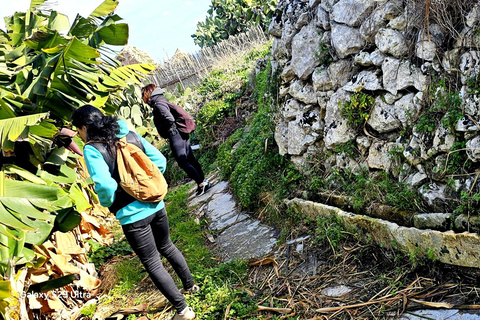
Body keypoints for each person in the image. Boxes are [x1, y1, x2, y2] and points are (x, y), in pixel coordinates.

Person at [72, 105, 197, 320]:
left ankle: (183, 310)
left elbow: (105, 185)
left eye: (79, 131)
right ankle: (191, 285)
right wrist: (146, 185)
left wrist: (111, 204)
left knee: (152, 262)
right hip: (156, 204)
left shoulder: (93, 149)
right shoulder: (129, 134)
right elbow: (160, 161)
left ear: (84, 128)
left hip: (132, 216)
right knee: (167, 245)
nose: (80, 135)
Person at [141, 84, 211, 196]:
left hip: (175, 134)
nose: (144, 99)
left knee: (182, 162)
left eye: (144, 95)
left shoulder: (158, 104)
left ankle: (201, 183)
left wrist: (168, 131)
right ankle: (203, 182)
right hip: (180, 132)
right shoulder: (161, 99)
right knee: (190, 158)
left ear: (148, 94)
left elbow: (169, 118)